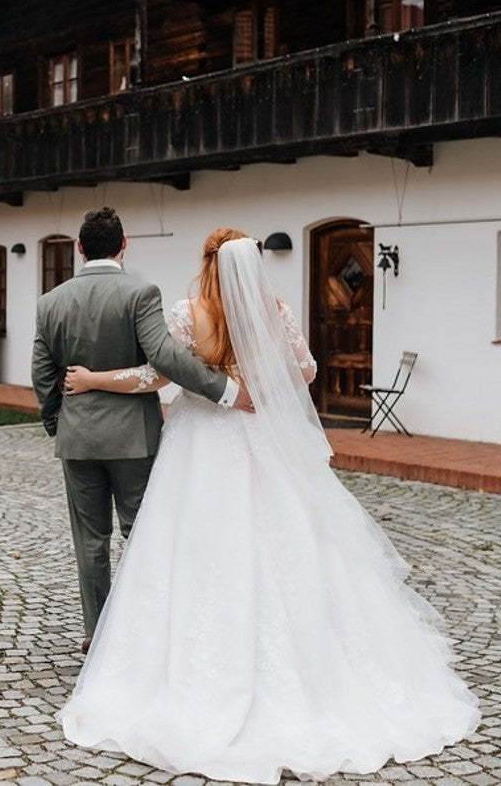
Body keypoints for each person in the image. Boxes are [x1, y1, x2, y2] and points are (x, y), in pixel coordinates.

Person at [57, 226, 481, 783]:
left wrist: (93, 380)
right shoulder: (273, 308)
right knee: (293, 542)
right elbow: (306, 371)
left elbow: (154, 377)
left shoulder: (188, 314)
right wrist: (259, 375)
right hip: (263, 440)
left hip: (201, 447)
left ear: (205, 261)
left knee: (195, 551)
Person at [31, 210, 254, 655]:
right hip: (134, 437)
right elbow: (165, 358)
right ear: (124, 243)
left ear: (79, 247)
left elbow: (42, 374)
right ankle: (143, 632)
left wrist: (60, 423)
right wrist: (226, 390)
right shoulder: (140, 293)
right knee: (140, 533)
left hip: (77, 438)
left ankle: (96, 635)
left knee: (89, 541)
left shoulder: (50, 302)